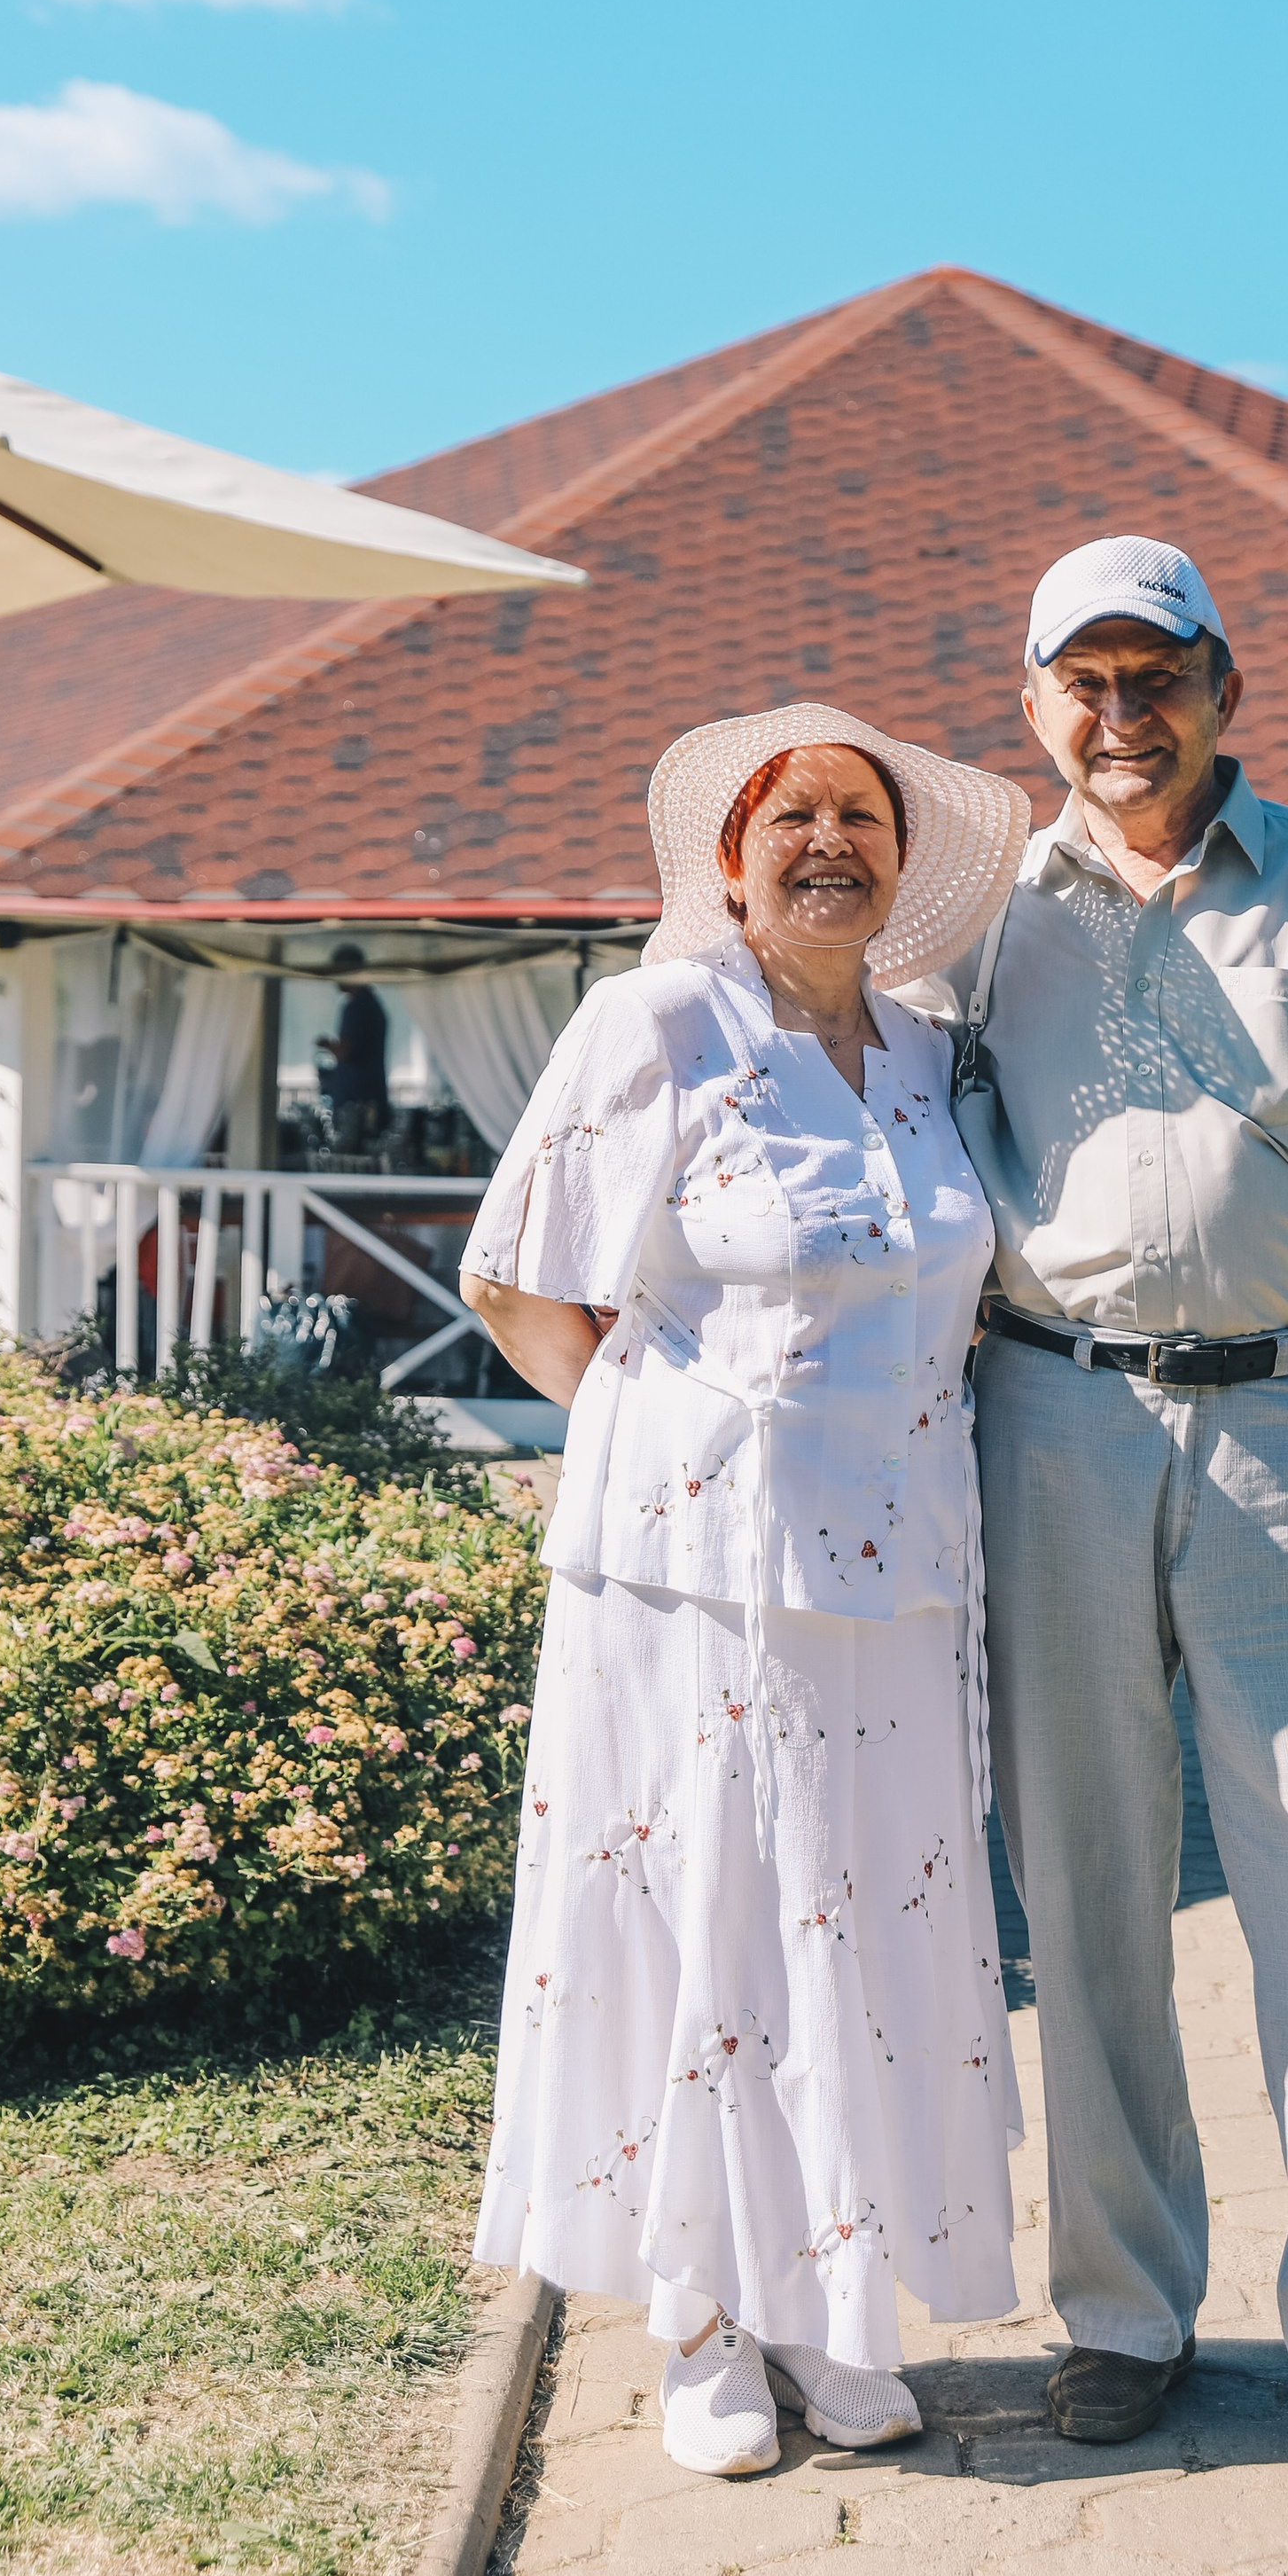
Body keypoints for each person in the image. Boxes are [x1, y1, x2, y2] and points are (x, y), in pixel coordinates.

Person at [915, 535, 1288, 2517]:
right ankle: (1120, 2314)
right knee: (1078, 1887)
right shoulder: (976, 916)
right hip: (1049, 1421)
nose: (1119, 714)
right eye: (1079, 681)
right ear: (1030, 709)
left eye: (1152, 674)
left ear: (1223, 687)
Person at [459, 704, 1031, 2479]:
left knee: (850, 1929)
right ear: (728, 862)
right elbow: (513, 1274)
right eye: (790, 818)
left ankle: (824, 2306)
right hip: (694, 1582)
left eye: (861, 816)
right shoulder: (653, 1024)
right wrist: (658, 1438)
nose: (827, 843)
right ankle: (699, 2317)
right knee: (711, 1918)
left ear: (903, 865)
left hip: (903, 1576)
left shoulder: (932, 1058)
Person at [316, 947, 389, 1145]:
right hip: (368, 1101)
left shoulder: (357, 1008)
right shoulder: (372, 1004)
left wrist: (327, 1045)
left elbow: (346, 1052)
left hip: (355, 1106)